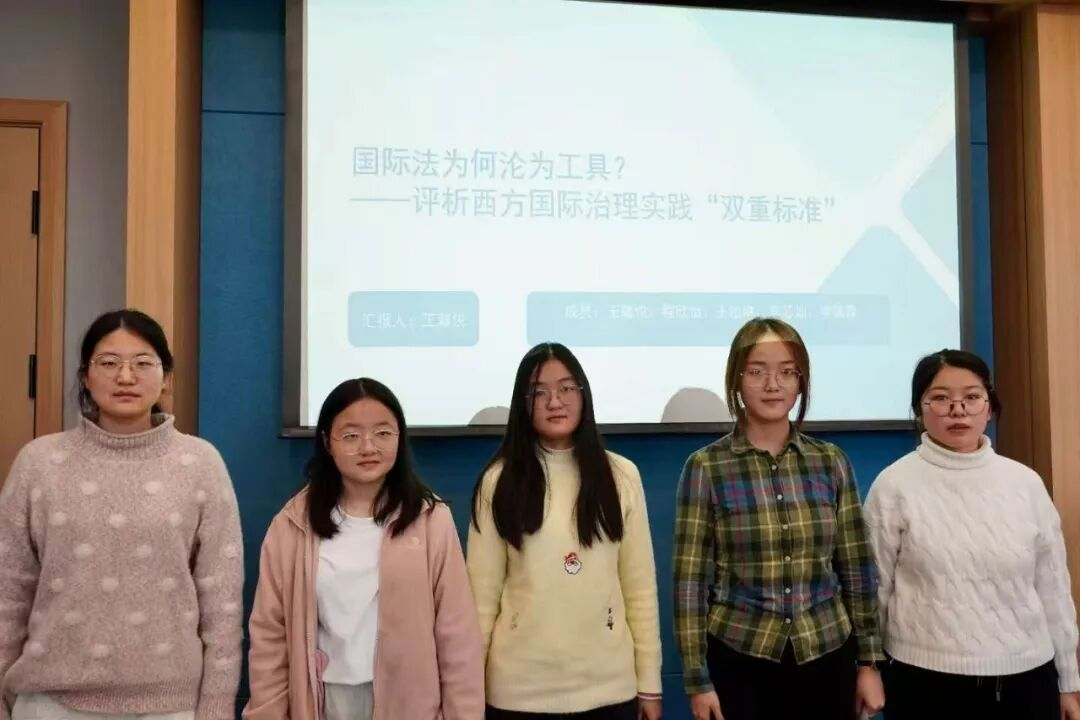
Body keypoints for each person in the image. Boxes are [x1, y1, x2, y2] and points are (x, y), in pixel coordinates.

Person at [0, 309, 243, 720]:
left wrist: (216, 707)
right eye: (109, 363)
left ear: (166, 377)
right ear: (85, 376)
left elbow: (223, 603)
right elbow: (8, 591)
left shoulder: (200, 463)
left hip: (171, 706)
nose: (126, 377)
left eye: (143, 363)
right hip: (50, 701)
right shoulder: (39, 462)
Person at [673, 317, 884, 720]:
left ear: (801, 382)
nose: (773, 385)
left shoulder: (830, 462)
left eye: (787, 372)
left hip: (827, 654)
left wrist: (868, 663)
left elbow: (856, 568)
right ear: (736, 379)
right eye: (757, 372)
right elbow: (689, 584)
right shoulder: (706, 467)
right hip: (740, 657)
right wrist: (698, 680)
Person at [244, 377, 484, 720]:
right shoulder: (292, 525)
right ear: (327, 442)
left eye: (383, 433)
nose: (368, 447)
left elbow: (457, 635)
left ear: (399, 437)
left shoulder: (431, 520)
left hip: (408, 703)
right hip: (323, 701)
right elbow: (270, 635)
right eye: (351, 436)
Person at [864, 349, 1080, 719]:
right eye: (940, 398)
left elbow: (1054, 591)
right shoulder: (893, 485)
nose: (958, 410)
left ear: (989, 407)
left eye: (971, 397)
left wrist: (1069, 681)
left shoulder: (1025, 484)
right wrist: (869, 668)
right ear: (919, 409)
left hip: (1027, 680)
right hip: (924, 681)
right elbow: (874, 592)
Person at [467, 342, 662, 720]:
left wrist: (650, 683)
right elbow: (481, 600)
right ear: (522, 404)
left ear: (583, 394)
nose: (554, 402)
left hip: (610, 690)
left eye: (566, 388)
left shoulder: (621, 476)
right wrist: (469, 691)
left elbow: (640, 589)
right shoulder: (498, 481)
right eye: (539, 392)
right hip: (517, 695)